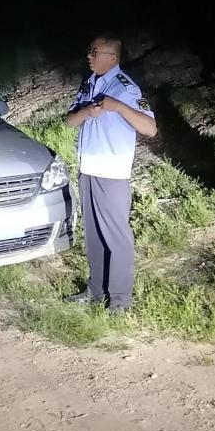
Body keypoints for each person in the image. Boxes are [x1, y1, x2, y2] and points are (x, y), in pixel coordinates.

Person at [62, 35, 157, 312]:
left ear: (112, 57)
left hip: (111, 172)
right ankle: (96, 290)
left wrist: (119, 107)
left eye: (94, 52)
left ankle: (119, 300)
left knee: (116, 237)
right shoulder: (90, 83)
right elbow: (69, 122)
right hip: (88, 169)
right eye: (89, 51)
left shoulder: (125, 88)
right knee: (93, 236)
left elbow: (150, 129)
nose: (89, 57)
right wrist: (87, 112)